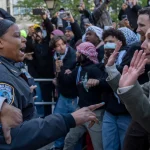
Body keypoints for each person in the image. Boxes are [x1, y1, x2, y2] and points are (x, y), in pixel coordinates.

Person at [0, 19, 104, 150]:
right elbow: (12, 137)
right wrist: (68, 120)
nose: (24, 39)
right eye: (16, 35)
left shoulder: (9, 68)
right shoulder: (3, 75)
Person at [57, 42, 105, 150]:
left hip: (95, 113)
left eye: (79, 52)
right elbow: (66, 82)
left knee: (99, 146)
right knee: (69, 140)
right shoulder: (79, 69)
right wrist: (60, 70)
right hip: (81, 110)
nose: (76, 54)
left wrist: (98, 81)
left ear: (86, 55)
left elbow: (106, 83)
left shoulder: (94, 69)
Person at [102, 28, 132, 150]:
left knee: (126, 145)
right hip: (110, 111)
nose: (108, 44)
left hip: (126, 112)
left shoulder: (127, 54)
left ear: (119, 42)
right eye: (105, 42)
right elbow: (105, 81)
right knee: (109, 145)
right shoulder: (104, 57)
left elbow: (123, 77)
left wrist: (111, 65)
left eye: (111, 41)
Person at [50, 35, 78, 150]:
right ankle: (58, 146)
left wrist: (60, 71)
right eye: (57, 46)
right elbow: (59, 76)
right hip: (62, 94)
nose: (61, 47)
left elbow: (68, 79)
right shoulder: (56, 56)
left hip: (73, 96)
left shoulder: (73, 56)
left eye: (62, 44)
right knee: (58, 121)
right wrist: (57, 74)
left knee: (75, 125)